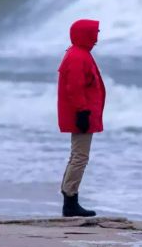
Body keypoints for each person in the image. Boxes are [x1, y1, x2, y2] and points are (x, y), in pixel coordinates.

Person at [57, 19, 106, 217]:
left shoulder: (80, 53)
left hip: (82, 112)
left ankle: (70, 200)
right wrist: (83, 112)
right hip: (81, 114)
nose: (96, 38)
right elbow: (75, 88)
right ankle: (70, 201)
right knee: (80, 157)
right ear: (85, 34)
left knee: (77, 156)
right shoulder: (78, 56)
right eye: (94, 33)